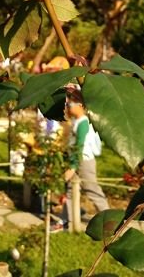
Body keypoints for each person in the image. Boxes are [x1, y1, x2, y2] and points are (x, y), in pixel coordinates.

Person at [56, 88, 109, 229]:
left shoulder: (84, 122)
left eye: (69, 104)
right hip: (76, 160)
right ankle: (67, 220)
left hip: (83, 162)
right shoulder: (77, 121)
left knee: (92, 189)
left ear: (80, 105)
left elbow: (80, 145)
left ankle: (109, 220)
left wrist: (72, 167)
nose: (67, 106)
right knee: (70, 191)